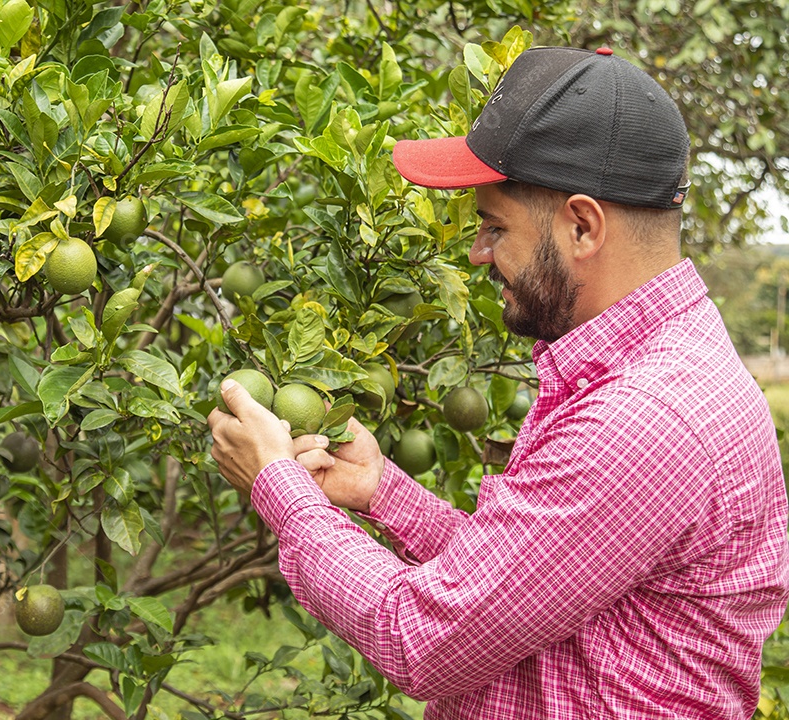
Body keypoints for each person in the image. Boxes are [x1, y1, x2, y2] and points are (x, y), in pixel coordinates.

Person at [207, 46, 789, 719]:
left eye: (494, 227)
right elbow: (530, 582)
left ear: (581, 225)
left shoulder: (643, 417)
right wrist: (384, 493)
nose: (480, 253)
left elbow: (424, 641)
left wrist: (278, 487)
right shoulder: (651, 372)